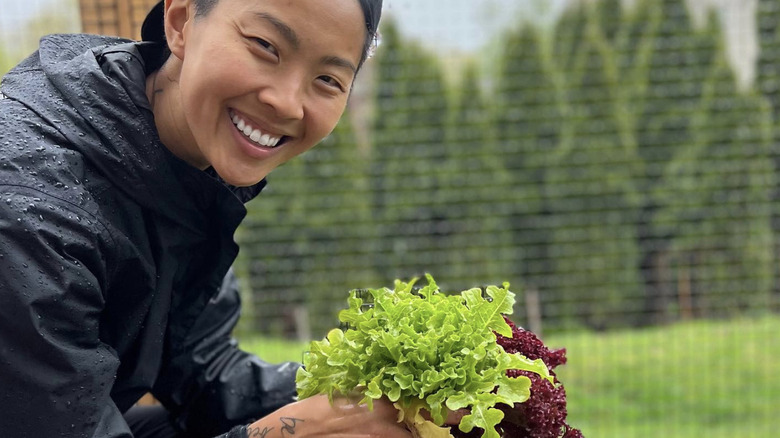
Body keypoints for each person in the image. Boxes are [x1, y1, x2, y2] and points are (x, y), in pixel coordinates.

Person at [0, 0, 461, 436]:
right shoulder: (33, 212)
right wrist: (301, 429)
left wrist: (369, 393)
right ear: (180, 21)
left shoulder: (184, 166)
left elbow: (202, 368)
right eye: (265, 46)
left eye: (327, 80)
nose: (287, 103)